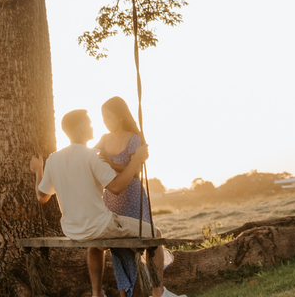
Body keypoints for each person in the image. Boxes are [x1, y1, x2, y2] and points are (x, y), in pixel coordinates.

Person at [29, 109, 181, 297]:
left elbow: (41, 197)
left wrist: (38, 170)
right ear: (84, 129)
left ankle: (97, 294)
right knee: (154, 234)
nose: (93, 126)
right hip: (99, 226)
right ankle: (159, 293)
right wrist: (137, 161)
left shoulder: (53, 159)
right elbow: (116, 187)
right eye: (91, 123)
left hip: (72, 230)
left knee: (95, 245)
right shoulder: (93, 155)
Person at [93, 96, 164, 297]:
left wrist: (110, 163)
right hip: (112, 199)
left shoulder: (134, 138)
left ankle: (155, 288)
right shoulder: (104, 139)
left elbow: (135, 173)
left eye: (109, 116)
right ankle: (125, 293)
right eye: (103, 117)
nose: (105, 121)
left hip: (132, 197)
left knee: (143, 241)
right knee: (118, 249)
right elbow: (92, 159)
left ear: (121, 116)